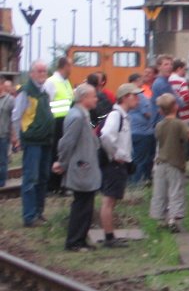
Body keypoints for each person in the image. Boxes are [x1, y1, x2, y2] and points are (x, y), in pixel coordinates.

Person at [53, 83, 102, 252]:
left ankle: (80, 239)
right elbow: (67, 142)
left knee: (86, 205)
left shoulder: (83, 115)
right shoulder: (77, 117)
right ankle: (74, 241)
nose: (96, 99)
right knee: (81, 205)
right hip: (81, 167)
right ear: (84, 98)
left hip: (85, 165)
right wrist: (62, 162)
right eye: (93, 96)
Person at [12, 60, 55, 227]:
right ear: (31, 73)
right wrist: (17, 137)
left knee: (43, 177)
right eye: (39, 71)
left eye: (44, 71)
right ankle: (29, 216)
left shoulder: (44, 91)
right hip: (33, 140)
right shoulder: (26, 92)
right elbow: (17, 116)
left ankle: (38, 212)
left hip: (45, 139)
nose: (42, 73)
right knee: (31, 178)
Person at [98, 82, 141, 248]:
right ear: (124, 98)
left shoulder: (122, 115)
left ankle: (110, 235)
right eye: (134, 95)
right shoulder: (116, 115)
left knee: (111, 200)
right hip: (114, 164)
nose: (137, 99)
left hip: (118, 163)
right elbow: (106, 135)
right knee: (108, 200)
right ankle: (109, 238)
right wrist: (114, 154)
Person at [149, 93, 189, 232]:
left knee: (160, 191)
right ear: (176, 107)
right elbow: (188, 136)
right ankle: (173, 219)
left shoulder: (159, 125)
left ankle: (160, 219)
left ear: (160, 110)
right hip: (175, 162)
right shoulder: (179, 124)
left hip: (160, 161)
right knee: (175, 190)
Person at [45, 57, 74, 193]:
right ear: (64, 66)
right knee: (55, 153)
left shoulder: (66, 82)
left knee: (63, 152)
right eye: (70, 66)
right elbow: (46, 103)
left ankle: (61, 184)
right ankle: (52, 185)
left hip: (66, 121)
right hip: (56, 122)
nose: (72, 69)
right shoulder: (51, 82)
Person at [127, 72, 156, 184]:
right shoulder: (140, 96)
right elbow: (147, 113)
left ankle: (130, 181)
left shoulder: (126, 95)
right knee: (141, 159)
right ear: (135, 81)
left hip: (131, 130)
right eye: (140, 80)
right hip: (142, 131)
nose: (142, 82)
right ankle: (136, 183)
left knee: (133, 157)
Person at [169, 59, 189, 124]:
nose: (185, 72)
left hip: (173, 115)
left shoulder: (168, 79)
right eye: (185, 69)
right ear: (179, 68)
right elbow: (186, 97)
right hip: (185, 116)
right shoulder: (181, 80)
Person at [0, 79, 16, 187]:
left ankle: (2, 180)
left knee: (2, 159)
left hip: (3, 133)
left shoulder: (10, 100)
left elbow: (13, 118)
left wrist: (14, 135)